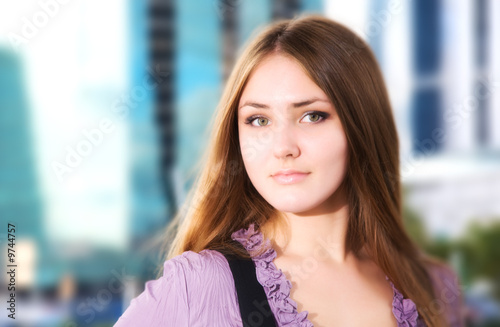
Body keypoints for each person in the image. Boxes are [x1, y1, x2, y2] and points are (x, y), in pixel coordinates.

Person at [114, 14, 465, 327]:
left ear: (362, 124)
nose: (283, 147)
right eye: (258, 120)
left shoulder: (432, 286)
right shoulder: (199, 286)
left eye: (312, 115)